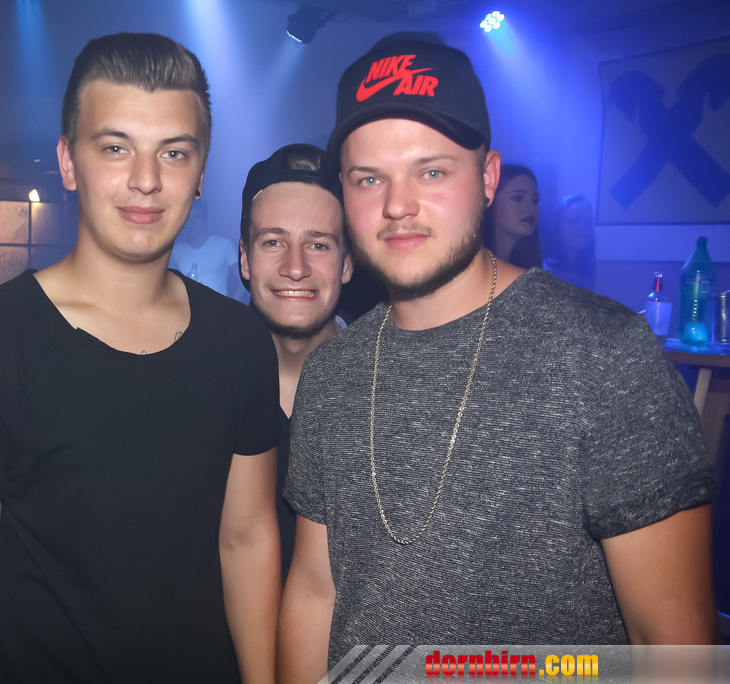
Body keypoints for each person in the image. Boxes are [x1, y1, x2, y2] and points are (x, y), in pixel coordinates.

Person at [279, 32, 716, 681]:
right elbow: (316, 592)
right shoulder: (331, 373)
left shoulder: (603, 354)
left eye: (431, 171)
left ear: (487, 177)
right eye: (370, 178)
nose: (397, 205)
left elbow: (672, 644)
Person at [0, 33, 281, 683]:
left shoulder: (240, 341)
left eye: (174, 152)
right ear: (68, 162)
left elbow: (246, 541)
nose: (146, 179)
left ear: (200, 174)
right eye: (115, 148)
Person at [237, 143, 352, 581]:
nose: (296, 267)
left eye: (318, 244)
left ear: (347, 264)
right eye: (273, 242)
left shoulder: (389, 386)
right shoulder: (203, 382)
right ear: (245, 259)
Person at [482, 163, 543, 268]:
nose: (531, 207)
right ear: (491, 201)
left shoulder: (529, 269)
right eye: (518, 198)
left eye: (535, 200)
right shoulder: (470, 264)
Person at [544, 193, 597, 290]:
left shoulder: (583, 269)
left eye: (588, 221)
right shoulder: (544, 270)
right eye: (575, 221)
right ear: (557, 227)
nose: (584, 227)